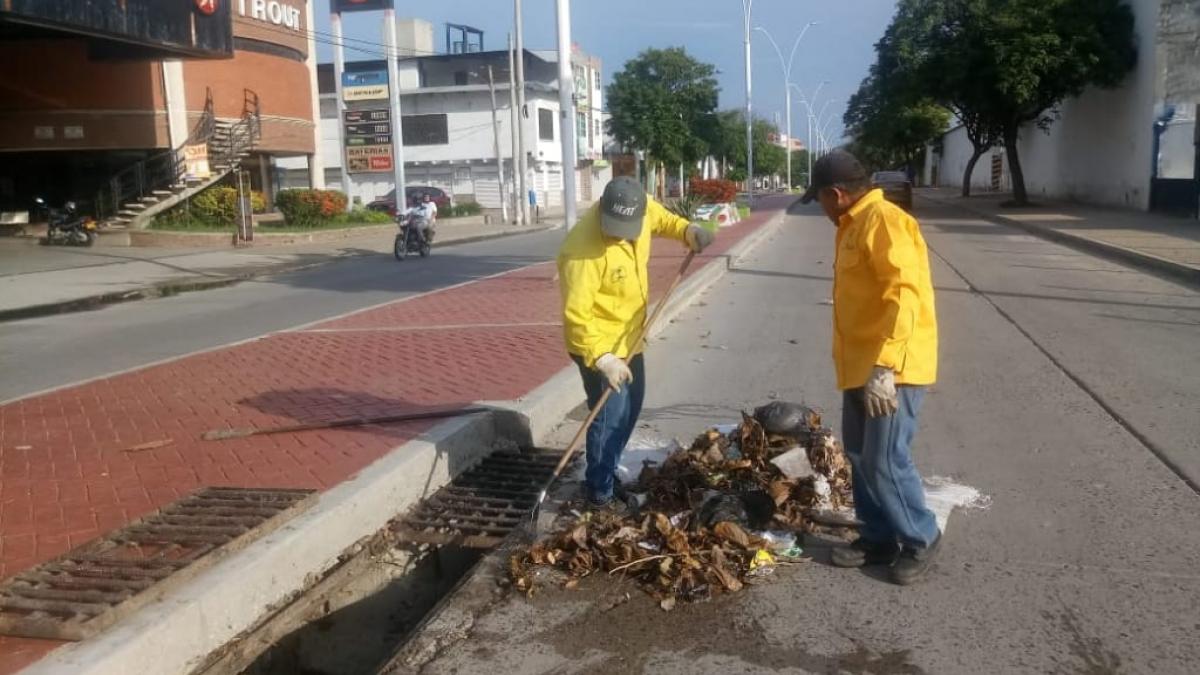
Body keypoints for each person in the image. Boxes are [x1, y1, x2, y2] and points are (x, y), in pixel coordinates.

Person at [800, 150, 942, 585]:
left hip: (891, 368)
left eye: (821, 199)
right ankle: (878, 537)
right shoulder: (852, 224)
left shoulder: (884, 221)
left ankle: (921, 538)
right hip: (861, 365)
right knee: (860, 456)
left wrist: (886, 366)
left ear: (836, 194)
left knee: (885, 459)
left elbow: (904, 294)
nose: (821, 208)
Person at [558, 177, 714, 509]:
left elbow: (665, 219)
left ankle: (608, 468)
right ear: (602, 209)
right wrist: (603, 358)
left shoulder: (640, 209)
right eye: (613, 228)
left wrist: (689, 231)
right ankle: (598, 491)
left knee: (631, 407)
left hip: (630, 338)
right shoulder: (581, 251)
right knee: (609, 415)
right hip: (597, 344)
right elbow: (576, 317)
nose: (619, 234)